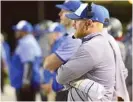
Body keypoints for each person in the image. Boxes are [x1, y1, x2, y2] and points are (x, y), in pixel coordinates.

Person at [56, 3, 129, 101]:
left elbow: (61, 77)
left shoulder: (92, 46)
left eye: (76, 21)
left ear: (89, 23)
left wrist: (74, 81)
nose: (73, 24)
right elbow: (123, 73)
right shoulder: (110, 40)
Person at [43, 1, 82, 101]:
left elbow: (48, 64)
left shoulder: (74, 38)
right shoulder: (71, 36)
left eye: (63, 11)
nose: (59, 14)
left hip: (69, 93)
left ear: (73, 14)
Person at [10, 20, 42, 101]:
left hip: (25, 85)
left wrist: (26, 82)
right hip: (26, 83)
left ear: (23, 32)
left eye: (18, 30)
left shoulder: (26, 43)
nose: (16, 32)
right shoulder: (29, 41)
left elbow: (29, 63)